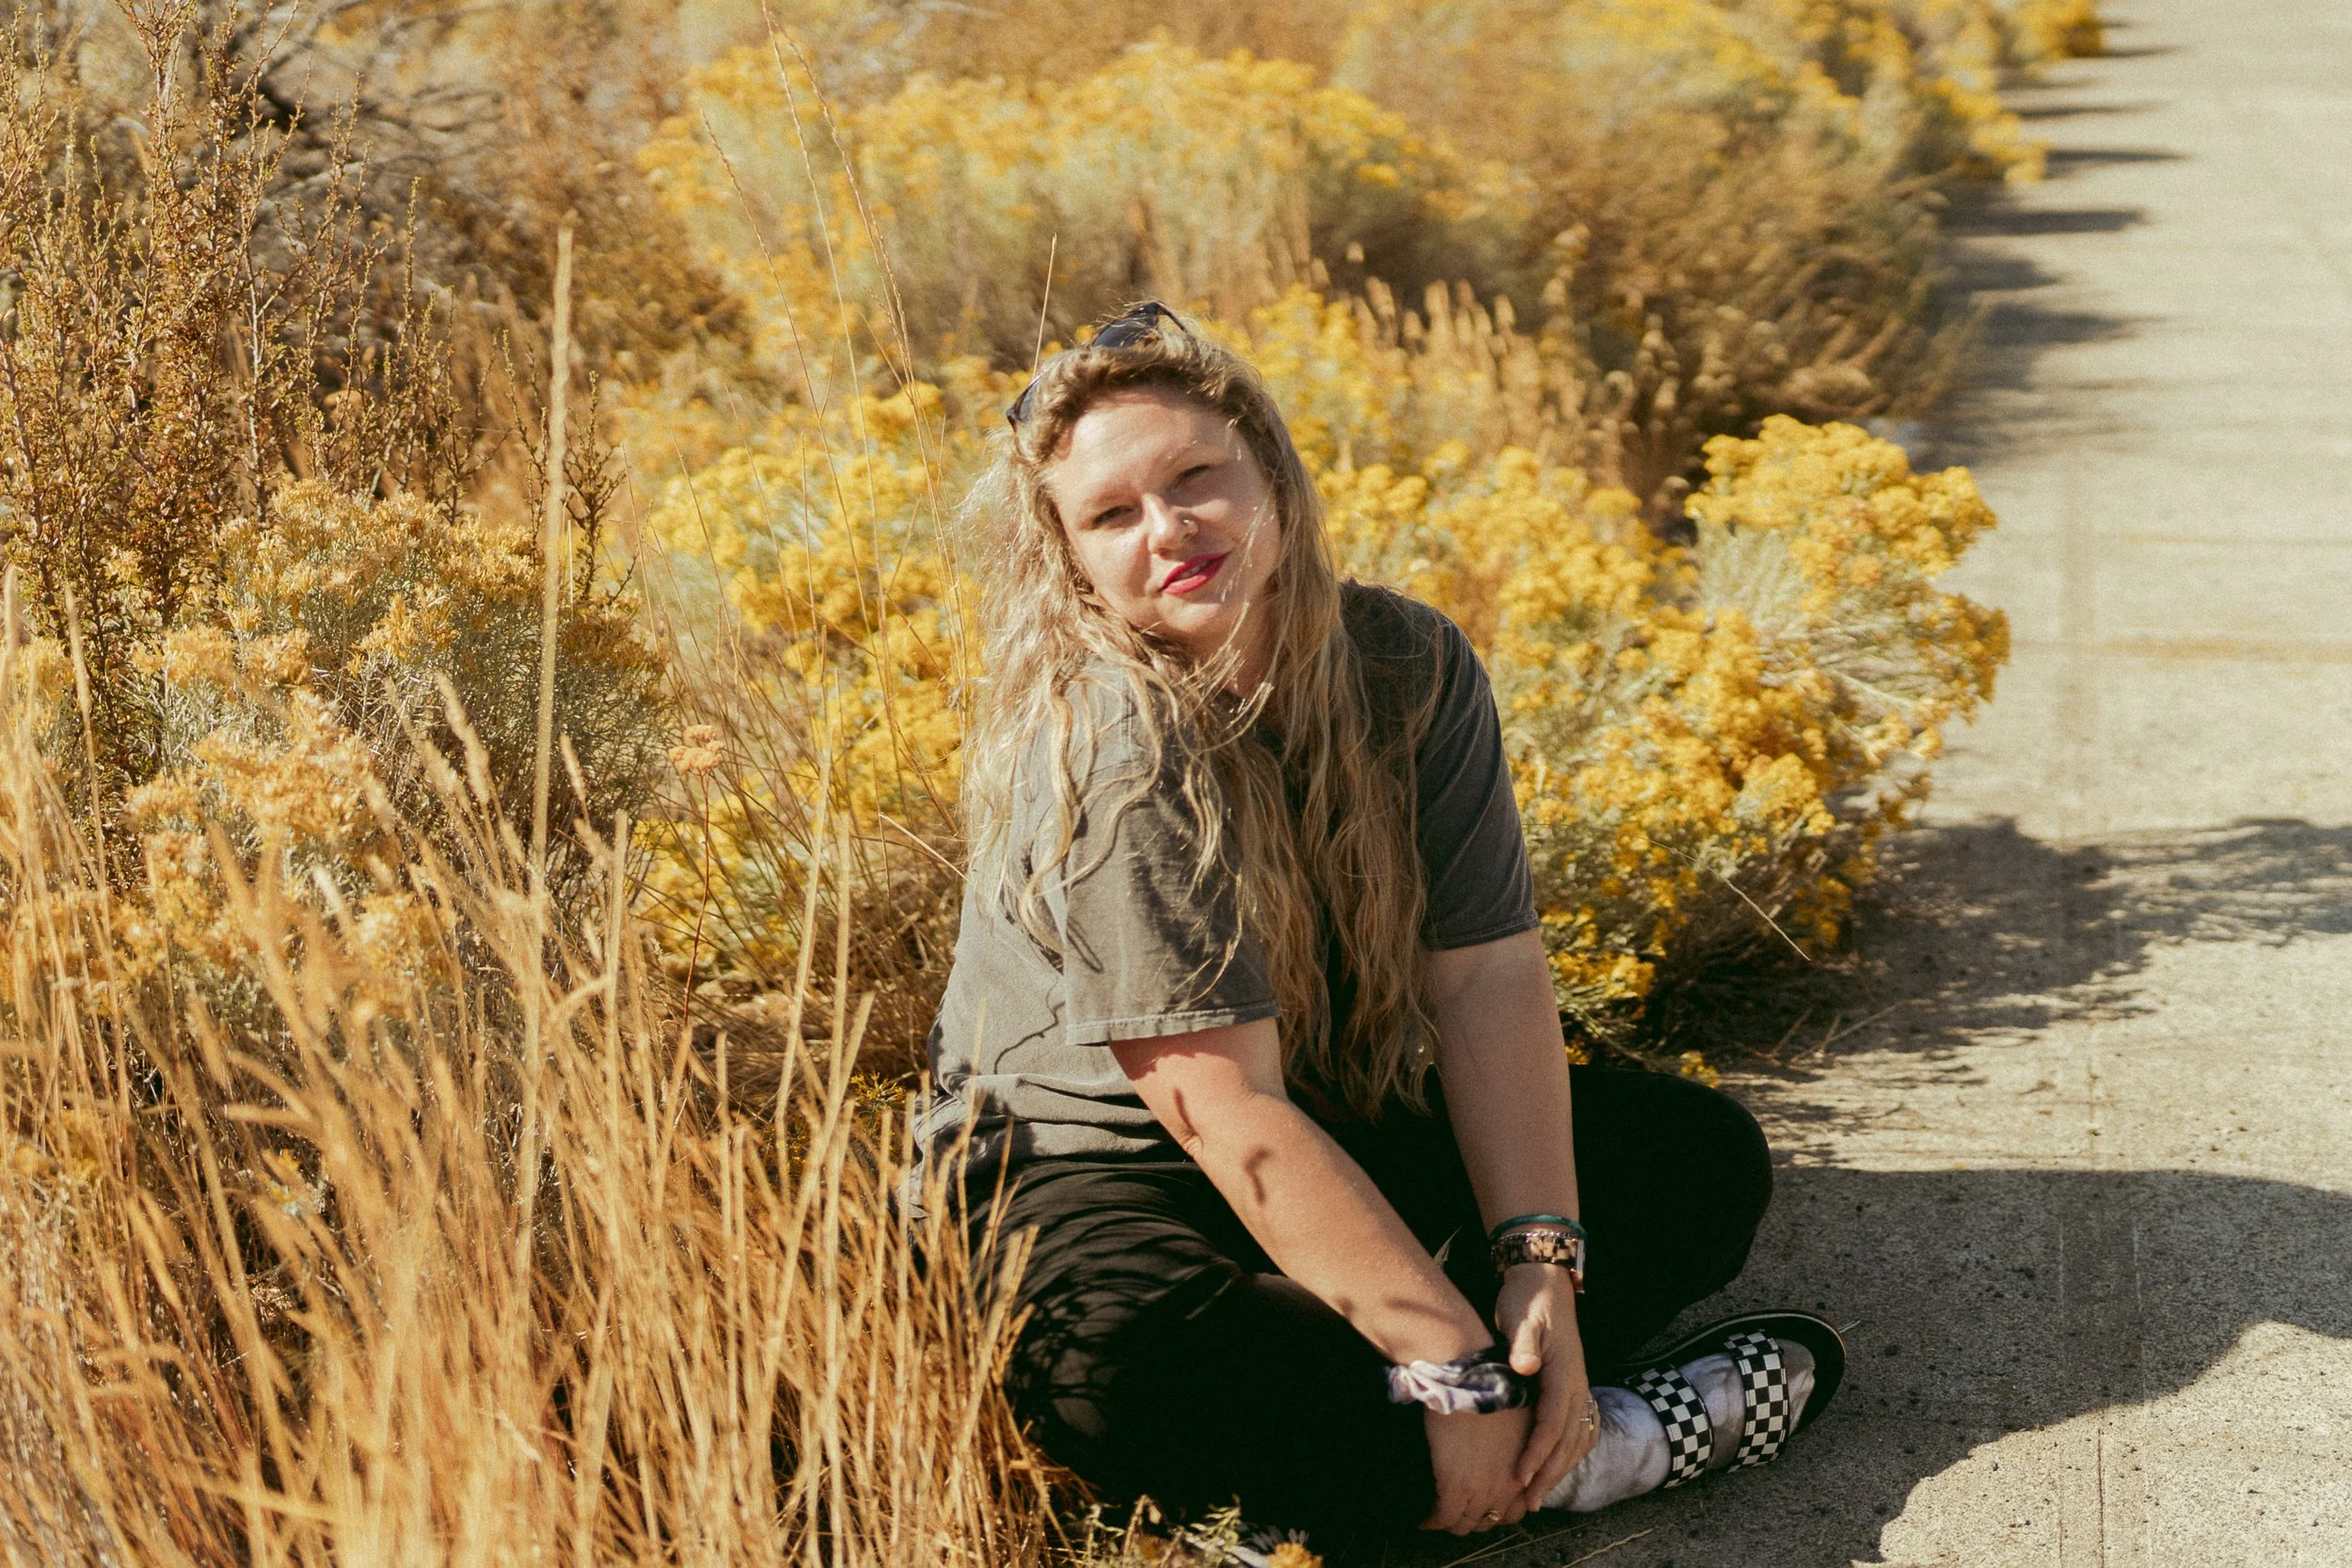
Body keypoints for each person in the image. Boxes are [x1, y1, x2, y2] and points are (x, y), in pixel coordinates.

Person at [913, 303, 1846, 1554]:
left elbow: (1487, 978)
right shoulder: (1110, 744)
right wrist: (1453, 1356)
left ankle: (1371, 1453)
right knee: (1119, 1367)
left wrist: (1540, 1265)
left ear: (1276, 481)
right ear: (1071, 559)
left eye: (1199, 478)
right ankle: (1590, 1448)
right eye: (1113, 515)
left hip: (1331, 1122)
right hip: (1089, 1177)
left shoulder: (1404, 661)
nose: (1170, 529)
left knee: (1694, 1162)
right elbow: (1222, 1114)